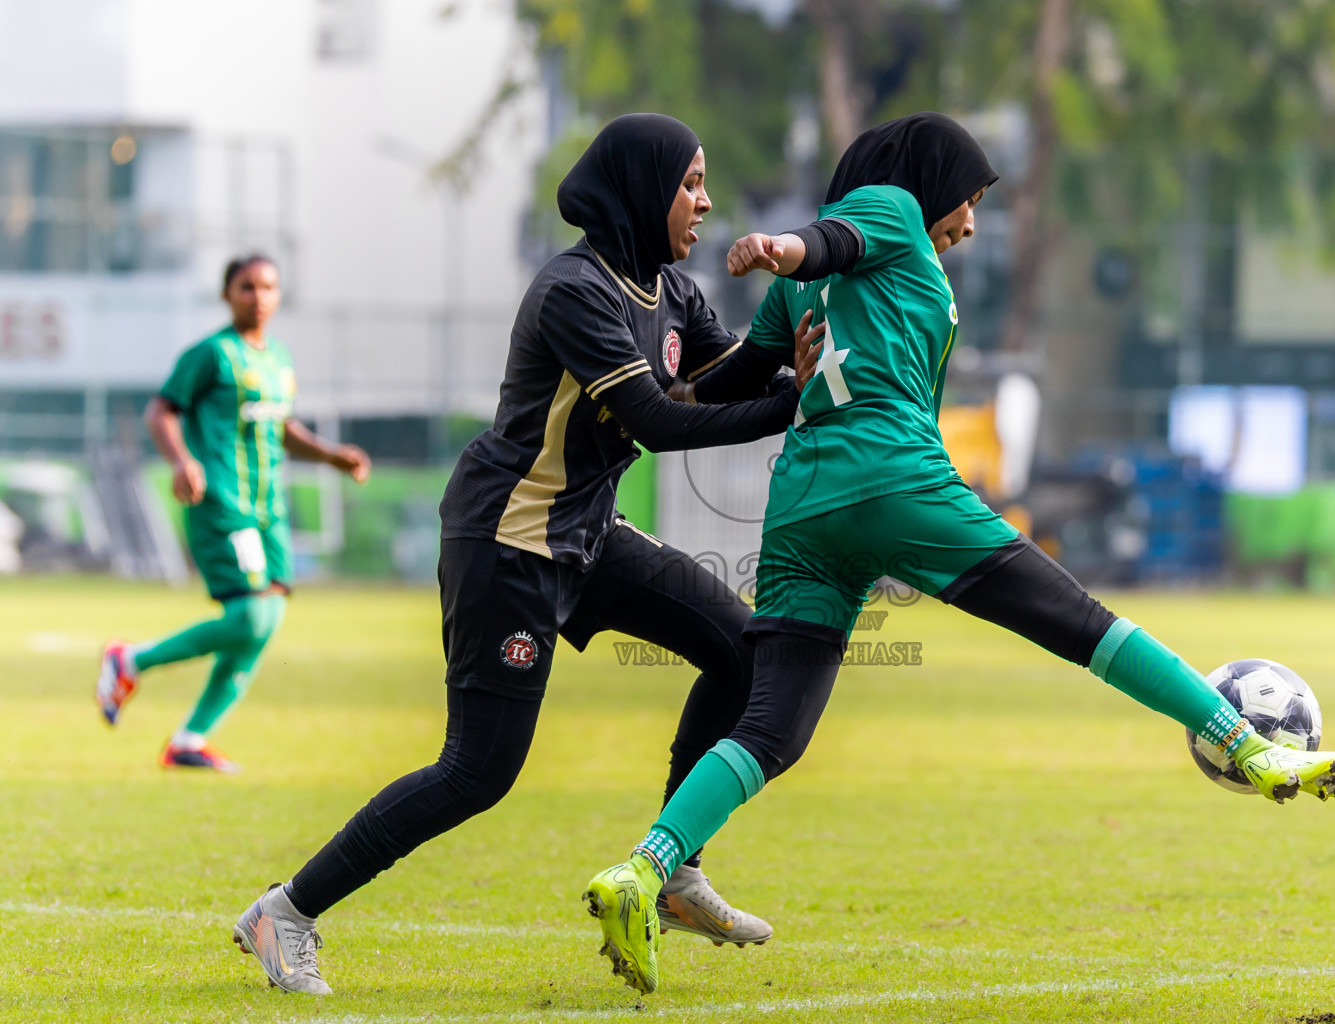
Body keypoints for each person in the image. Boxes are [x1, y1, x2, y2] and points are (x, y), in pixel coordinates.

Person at [584, 112, 1335, 996]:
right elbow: (825, 239)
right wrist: (777, 246)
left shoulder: (825, 286)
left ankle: (643, 871)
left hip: (801, 508)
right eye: (972, 198)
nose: (970, 223)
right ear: (929, 180)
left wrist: (652, 391)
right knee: (1081, 624)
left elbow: (717, 385)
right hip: (896, 482)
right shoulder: (891, 208)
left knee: (770, 730)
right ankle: (1247, 744)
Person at [228, 113, 823, 995]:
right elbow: (658, 421)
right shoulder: (574, 290)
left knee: (743, 652)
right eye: (690, 183)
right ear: (642, 188)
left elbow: (720, 372)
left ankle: (671, 871)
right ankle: (285, 912)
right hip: (508, 538)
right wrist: (789, 405)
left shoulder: (666, 286)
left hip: (587, 532)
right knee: (477, 771)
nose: (705, 201)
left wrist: (792, 357)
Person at [95, 254, 371, 772]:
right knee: (250, 616)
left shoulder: (279, 360)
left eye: (268, 287)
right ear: (227, 294)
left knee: (265, 623)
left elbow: (282, 429)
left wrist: (332, 456)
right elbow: (160, 411)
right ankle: (129, 660)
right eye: (247, 287)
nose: (258, 296)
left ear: (279, 295)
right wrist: (182, 461)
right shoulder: (210, 354)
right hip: (224, 503)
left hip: (270, 508)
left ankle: (189, 741)